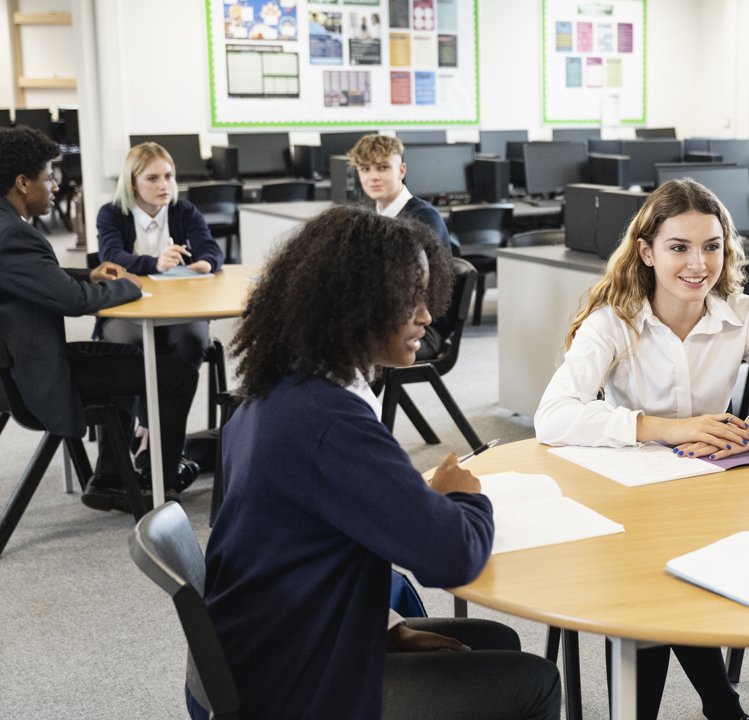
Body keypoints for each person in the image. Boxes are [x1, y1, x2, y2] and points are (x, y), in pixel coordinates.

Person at [197, 205, 560, 720]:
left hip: (273, 644)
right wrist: (464, 496)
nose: (426, 316)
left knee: (495, 637)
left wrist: (388, 627)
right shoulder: (329, 422)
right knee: (536, 683)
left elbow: (294, 551)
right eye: (408, 299)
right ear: (353, 305)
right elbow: (452, 556)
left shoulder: (281, 388)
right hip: (298, 686)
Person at [536, 179, 749, 720]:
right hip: (627, 498)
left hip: (708, 493)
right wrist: (664, 428)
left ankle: (715, 706)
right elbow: (553, 416)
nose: (699, 264)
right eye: (679, 247)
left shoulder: (740, 315)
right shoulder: (614, 321)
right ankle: (718, 706)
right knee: (654, 581)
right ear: (647, 252)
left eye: (712, 246)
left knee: (683, 576)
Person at [0, 126, 199, 510]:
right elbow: (73, 302)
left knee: (126, 356)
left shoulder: (6, 227)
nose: (56, 186)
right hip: (34, 376)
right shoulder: (13, 235)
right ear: (23, 183)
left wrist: (88, 274)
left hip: (19, 362)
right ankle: (162, 479)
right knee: (178, 374)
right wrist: (134, 285)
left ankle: (110, 477)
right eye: (49, 177)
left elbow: (35, 279)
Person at [95, 142, 225, 367]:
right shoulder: (112, 213)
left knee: (192, 341)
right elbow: (111, 257)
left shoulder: (184, 211)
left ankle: (171, 403)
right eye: (152, 178)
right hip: (125, 304)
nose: (164, 185)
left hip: (179, 304)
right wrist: (156, 263)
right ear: (133, 183)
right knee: (132, 345)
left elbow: (211, 248)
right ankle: (141, 404)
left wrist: (207, 262)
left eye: (168, 176)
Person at [349, 132, 458, 359]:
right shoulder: (370, 217)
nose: (373, 177)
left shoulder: (423, 218)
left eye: (382, 168)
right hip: (384, 317)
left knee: (341, 347)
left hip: (422, 327)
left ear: (401, 171)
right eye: (365, 169)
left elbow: (410, 286)